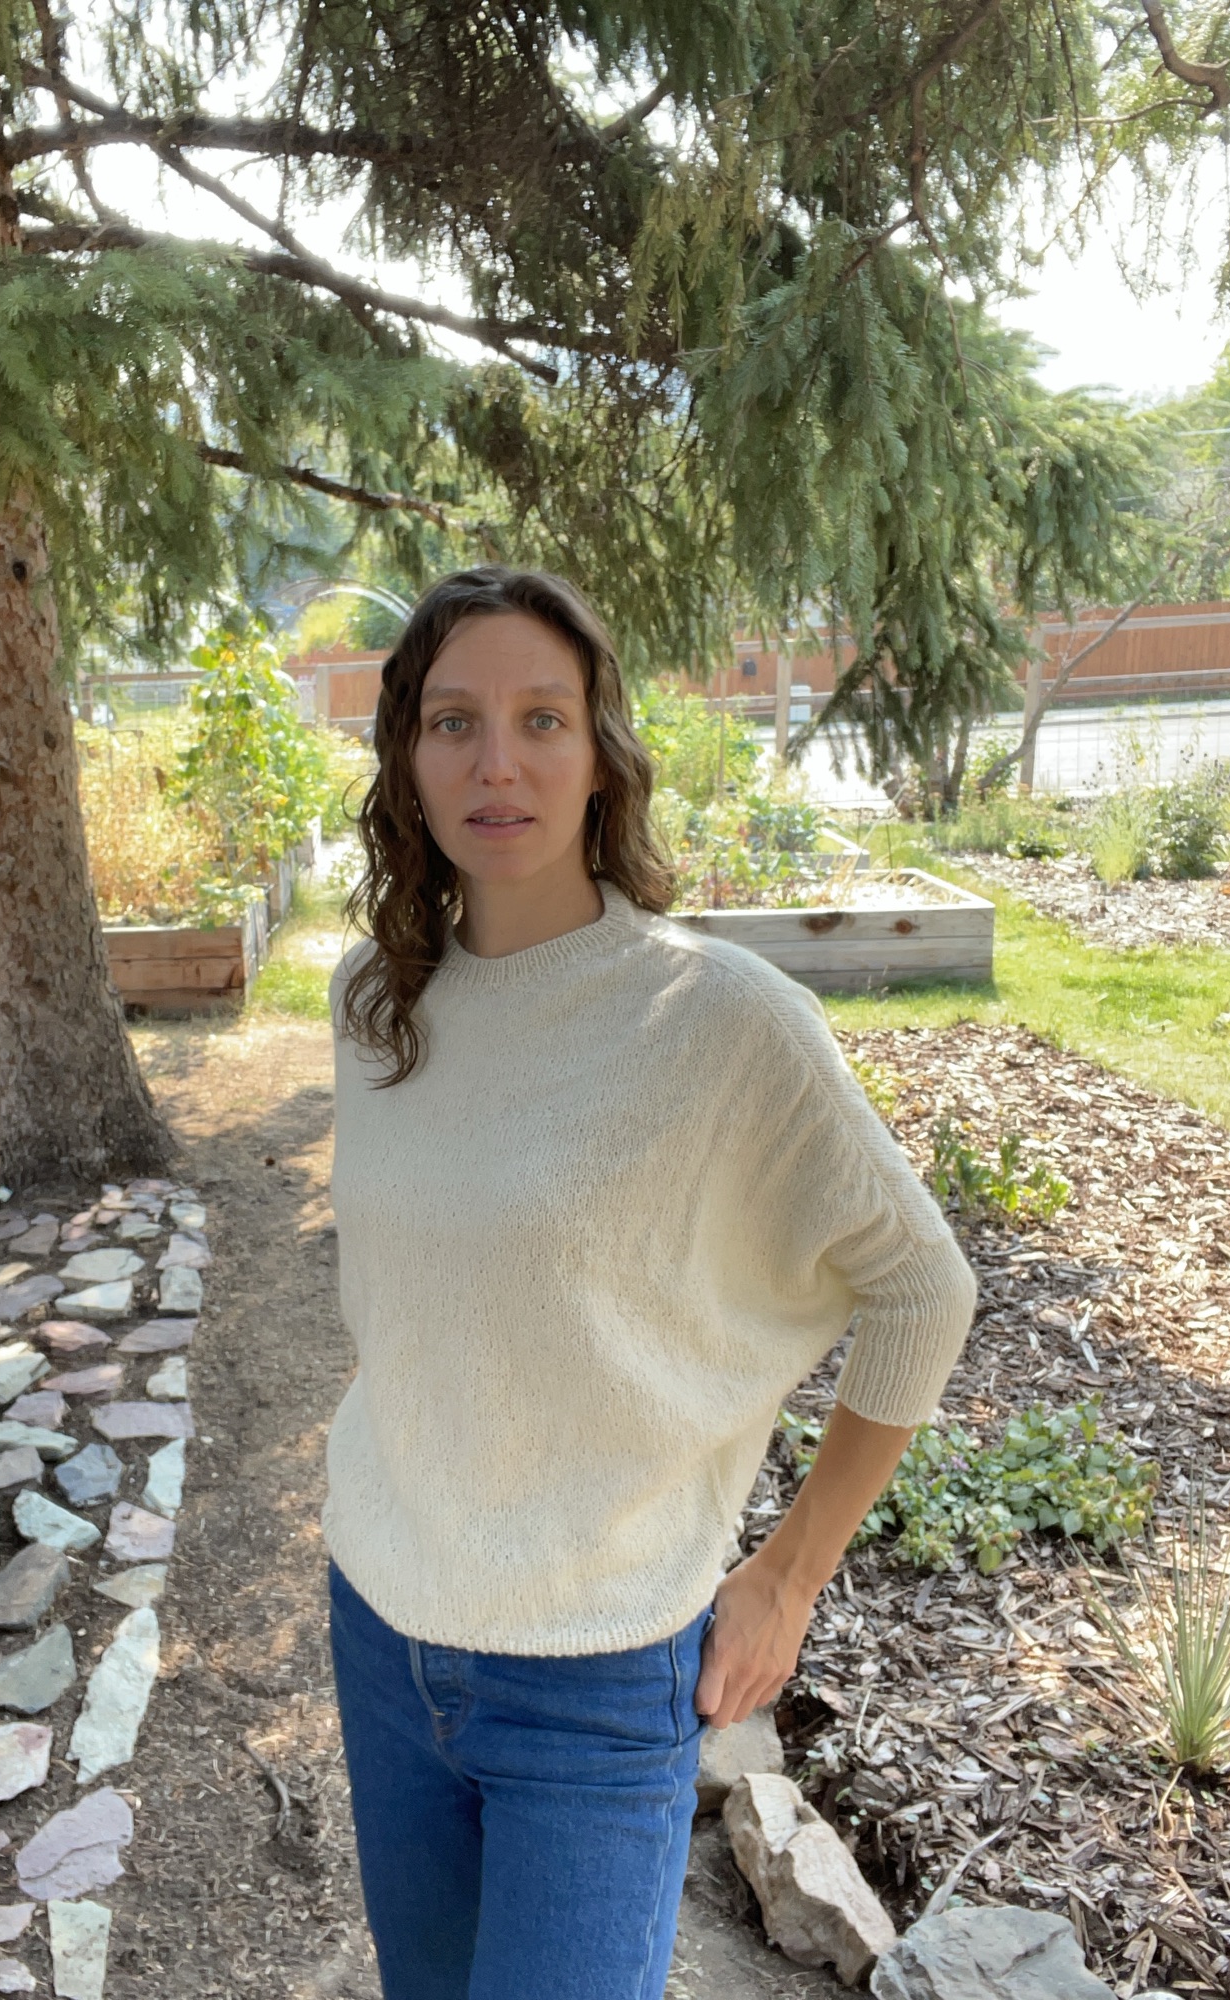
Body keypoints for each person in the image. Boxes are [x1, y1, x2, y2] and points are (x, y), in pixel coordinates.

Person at [325, 567, 977, 2000]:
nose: (498, 762)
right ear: (406, 760)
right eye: (454, 722)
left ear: (600, 752)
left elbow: (924, 1291)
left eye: (541, 717)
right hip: (382, 1629)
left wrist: (790, 1578)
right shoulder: (374, 1004)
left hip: (596, 1672)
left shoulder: (722, 1019)